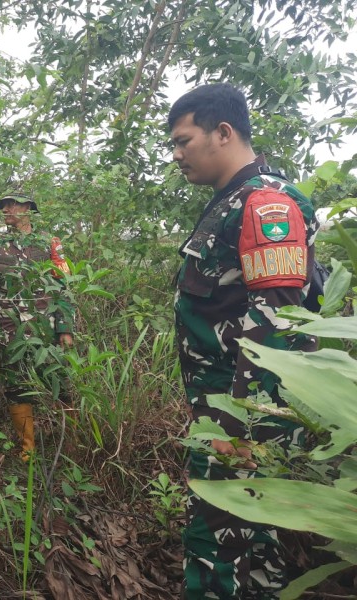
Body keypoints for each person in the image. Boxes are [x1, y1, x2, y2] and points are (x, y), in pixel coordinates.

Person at [169, 83, 319, 599]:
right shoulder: (230, 201)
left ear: (223, 132)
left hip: (244, 419)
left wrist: (238, 427)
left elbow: (276, 322)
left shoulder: (264, 204)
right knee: (252, 545)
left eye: (184, 140)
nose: (177, 154)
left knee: (218, 547)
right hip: (229, 410)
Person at [0, 192, 75, 461]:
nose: (6, 209)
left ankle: (74, 442)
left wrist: (65, 328)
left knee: (62, 384)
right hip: (9, 331)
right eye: (3, 206)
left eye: (12, 204)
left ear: (28, 207)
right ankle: (27, 448)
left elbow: (63, 287)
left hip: (46, 329)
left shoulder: (49, 244)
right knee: (15, 387)